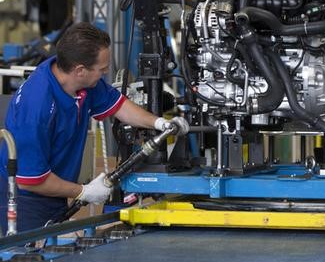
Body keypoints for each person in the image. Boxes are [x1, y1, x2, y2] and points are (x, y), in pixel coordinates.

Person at [0, 22, 189, 234]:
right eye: (102, 69)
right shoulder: (35, 108)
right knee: (29, 260)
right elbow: (30, 181)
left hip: (54, 193)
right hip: (24, 201)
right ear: (80, 70)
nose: (106, 73)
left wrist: (159, 123)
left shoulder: (80, 82)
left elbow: (118, 106)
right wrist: (84, 191)